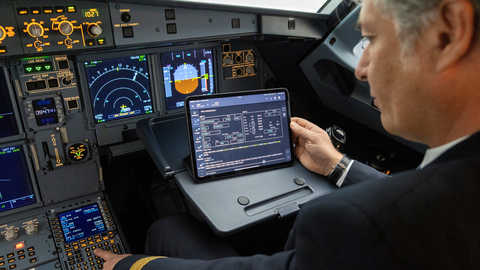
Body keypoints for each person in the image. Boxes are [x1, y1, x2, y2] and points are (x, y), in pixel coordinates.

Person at [95, 0, 480, 268]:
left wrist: (133, 266)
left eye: (372, 41)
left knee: (167, 228)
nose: (361, 70)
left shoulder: (357, 222)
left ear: (448, 32)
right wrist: (338, 165)